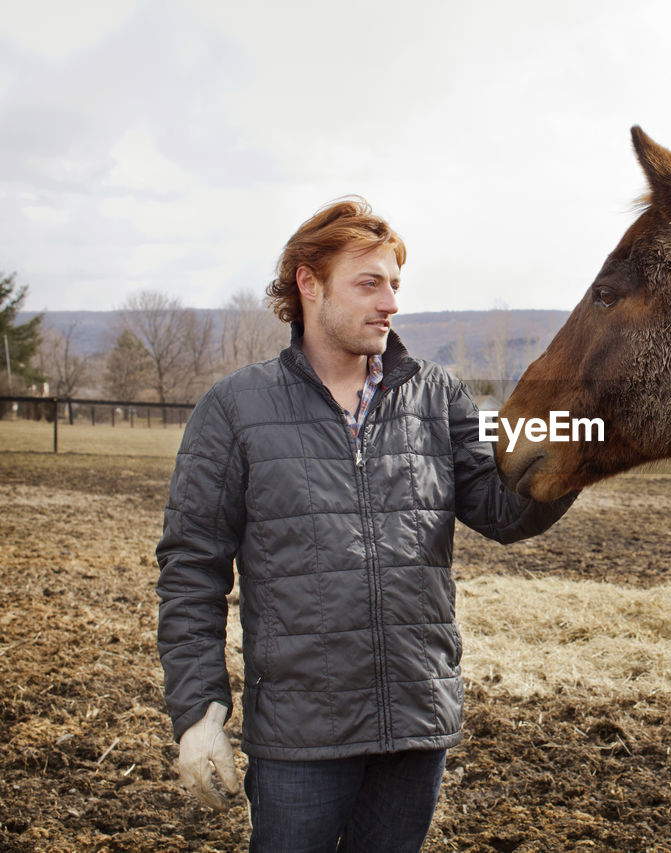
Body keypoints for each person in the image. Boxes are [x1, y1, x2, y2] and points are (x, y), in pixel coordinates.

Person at [156, 196, 576, 851]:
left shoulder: (437, 396)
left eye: (396, 285)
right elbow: (191, 569)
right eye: (370, 283)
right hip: (301, 740)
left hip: (415, 728)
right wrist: (199, 711)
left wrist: (570, 461)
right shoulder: (235, 409)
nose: (391, 303)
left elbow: (501, 509)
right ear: (309, 284)